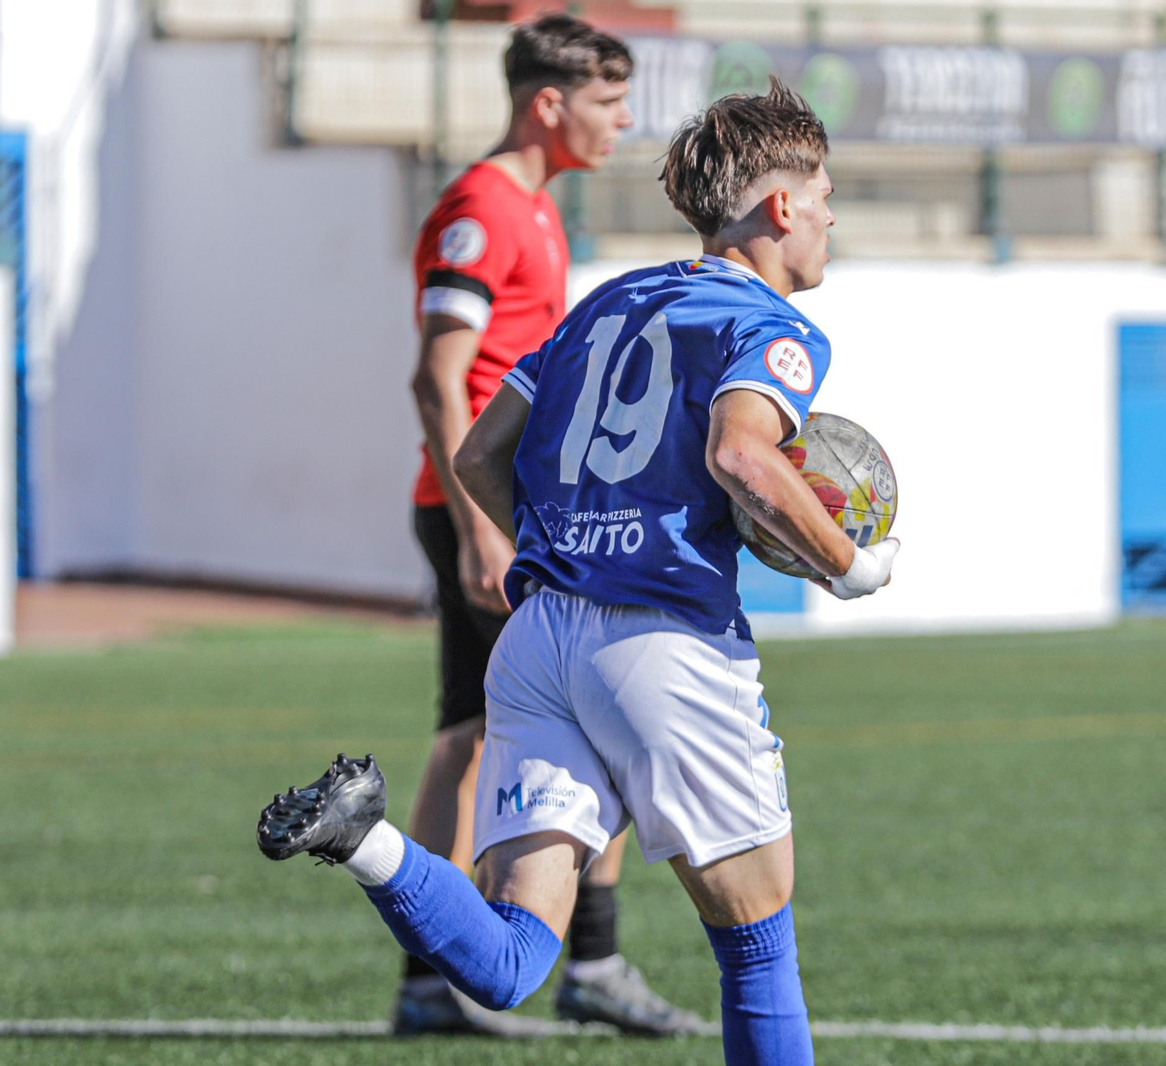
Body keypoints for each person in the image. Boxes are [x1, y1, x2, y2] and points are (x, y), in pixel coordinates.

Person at [259, 80, 901, 1065]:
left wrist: (569, 543)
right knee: (756, 941)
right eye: (824, 200)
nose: (829, 221)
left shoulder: (607, 302)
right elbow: (741, 455)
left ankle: (364, 839)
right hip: (663, 642)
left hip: (540, 639)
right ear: (781, 206)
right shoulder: (768, 325)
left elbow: (479, 455)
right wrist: (848, 564)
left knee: (513, 958)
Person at [399, 12, 697, 1035]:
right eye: (609, 103)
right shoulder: (481, 208)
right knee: (572, 721)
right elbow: (438, 379)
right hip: (487, 512)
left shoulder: (534, 205)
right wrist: (482, 528)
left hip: (510, 510)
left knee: (469, 732)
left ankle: (435, 978)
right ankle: (585, 963)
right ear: (549, 104)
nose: (624, 122)